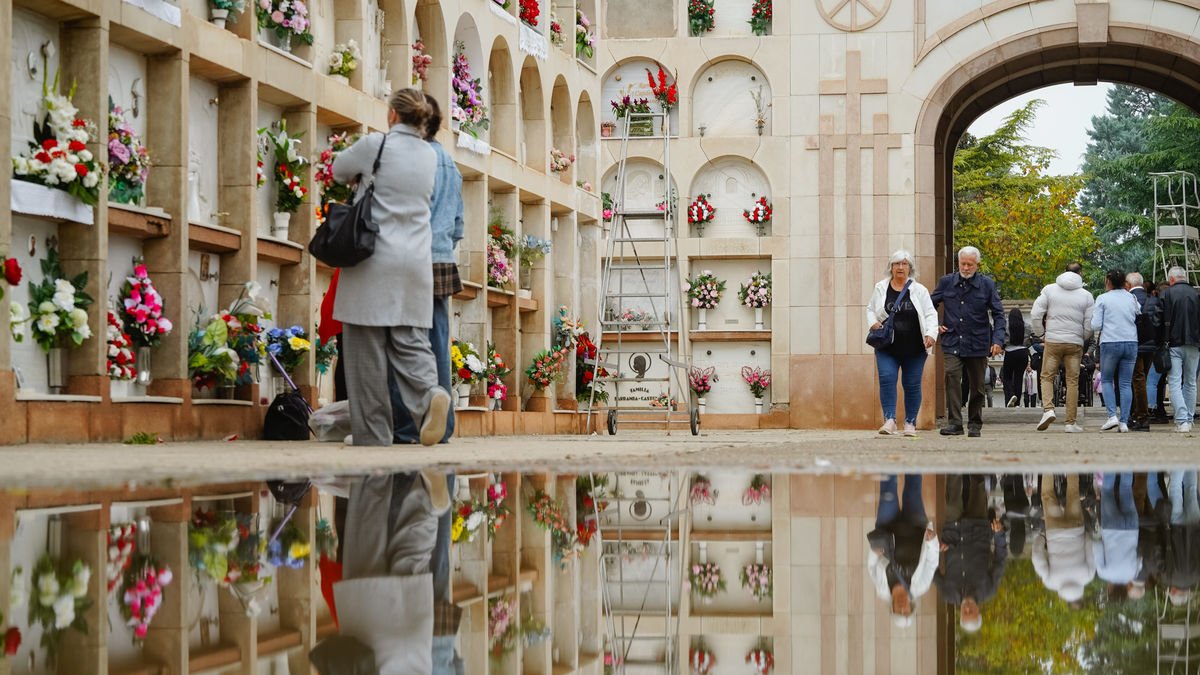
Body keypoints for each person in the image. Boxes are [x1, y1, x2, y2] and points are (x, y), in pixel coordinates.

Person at [331, 88, 451, 447]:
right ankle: (430, 395)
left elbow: (339, 170)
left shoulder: (376, 146)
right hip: (416, 260)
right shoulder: (431, 155)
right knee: (411, 342)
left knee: (364, 347)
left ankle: (373, 434)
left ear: (393, 115)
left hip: (373, 258)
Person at [309, 471, 449, 674]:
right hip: (370, 635)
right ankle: (374, 449)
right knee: (369, 510)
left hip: (417, 643)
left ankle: (428, 504)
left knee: (413, 554)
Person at [391, 94, 465, 446]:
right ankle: (444, 424)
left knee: (403, 344)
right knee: (436, 343)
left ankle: (407, 425)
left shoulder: (413, 158)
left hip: (411, 258)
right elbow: (459, 226)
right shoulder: (449, 162)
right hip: (442, 260)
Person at [931, 246, 1007, 437]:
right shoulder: (946, 282)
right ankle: (955, 423)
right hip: (952, 340)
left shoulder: (987, 285)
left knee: (978, 385)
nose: (965, 268)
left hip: (978, 341)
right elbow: (928, 305)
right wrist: (935, 325)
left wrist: (997, 340)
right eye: (962, 264)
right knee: (952, 377)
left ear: (977, 265)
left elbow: (999, 314)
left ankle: (975, 422)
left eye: (969, 264)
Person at [866, 250, 939, 436]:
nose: (900, 267)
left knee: (912, 384)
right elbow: (870, 308)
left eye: (904, 264)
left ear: (910, 268)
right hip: (887, 346)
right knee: (887, 378)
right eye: (896, 264)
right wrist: (873, 322)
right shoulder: (881, 287)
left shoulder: (919, 290)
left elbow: (931, 314)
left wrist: (931, 334)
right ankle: (889, 420)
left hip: (914, 348)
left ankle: (910, 423)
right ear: (891, 267)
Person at [935, 474, 1008, 634]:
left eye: (964, 613)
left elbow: (931, 570)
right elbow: (1000, 560)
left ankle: (953, 459)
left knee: (952, 499)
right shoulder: (989, 590)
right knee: (978, 484)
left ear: (960, 614)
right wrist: (999, 535)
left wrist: (935, 549)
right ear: (978, 611)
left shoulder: (947, 593)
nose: (967, 609)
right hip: (978, 529)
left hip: (952, 532)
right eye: (971, 612)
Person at [866, 475, 939, 628]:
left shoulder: (882, 589)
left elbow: (871, 568)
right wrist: (932, 542)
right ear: (911, 606)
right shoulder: (921, 586)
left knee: (887, 491)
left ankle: (890, 456)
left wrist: (874, 553)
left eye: (898, 610)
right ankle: (914, 452)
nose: (901, 606)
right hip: (916, 525)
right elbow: (932, 563)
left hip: (887, 527)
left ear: (892, 609)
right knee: (913, 487)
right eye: (905, 609)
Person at [1030, 263, 1094, 433]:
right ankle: (1070, 422)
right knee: (1072, 381)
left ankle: (1048, 409)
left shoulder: (1049, 290)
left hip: (1053, 341)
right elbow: (1089, 324)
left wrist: (1041, 334)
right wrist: (1082, 338)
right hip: (1074, 343)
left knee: (1047, 376)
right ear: (1080, 274)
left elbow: (1035, 314)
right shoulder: (1087, 296)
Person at [1092, 269, 1141, 433]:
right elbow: (1138, 314)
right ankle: (1124, 421)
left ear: (1109, 282)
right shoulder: (1131, 297)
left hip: (1111, 342)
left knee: (1106, 380)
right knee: (1126, 383)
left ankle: (1112, 415)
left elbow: (1096, 325)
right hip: (1131, 342)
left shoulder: (1103, 298)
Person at [1032, 474, 1095, 603]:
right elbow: (1037, 557)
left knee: (1073, 494)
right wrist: (1042, 537)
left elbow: (1090, 549)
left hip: (1076, 529)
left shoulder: (1088, 577)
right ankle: (1048, 466)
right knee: (1047, 495)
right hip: (1054, 531)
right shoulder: (1051, 582)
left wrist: (1084, 535)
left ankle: (1071, 461)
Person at [1160, 266, 1200, 433]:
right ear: (1184, 277)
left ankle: (1182, 419)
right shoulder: (1196, 294)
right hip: (1194, 343)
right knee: (1190, 382)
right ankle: (1189, 419)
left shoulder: (1167, 294)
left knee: (1175, 381)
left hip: (1173, 343)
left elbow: (1161, 319)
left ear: (1171, 279)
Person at [1094, 472, 1144, 601]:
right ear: (1110, 590)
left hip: (1132, 529)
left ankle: (1126, 461)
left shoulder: (1133, 574)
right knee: (1107, 490)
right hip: (1111, 529)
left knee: (1126, 489)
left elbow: (1140, 555)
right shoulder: (1104, 574)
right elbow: (1097, 546)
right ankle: (1110, 462)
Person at [1128, 273, 1161, 431]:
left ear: (1128, 284)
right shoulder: (1154, 300)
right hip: (1150, 346)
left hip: (1134, 345)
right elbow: (1159, 324)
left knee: (1136, 380)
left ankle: (1140, 416)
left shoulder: (1128, 299)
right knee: (1142, 379)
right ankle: (1138, 414)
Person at [1001, 308, 1029, 408]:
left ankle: (1011, 394)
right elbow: (1030, 338)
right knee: (1019, 378)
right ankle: (1017, 402)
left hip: (1010, 352)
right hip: (1023, 352)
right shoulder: (1026, 325)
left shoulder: (1006, 325)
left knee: (1007, 377)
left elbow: (1003, 339)